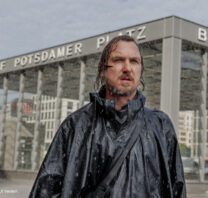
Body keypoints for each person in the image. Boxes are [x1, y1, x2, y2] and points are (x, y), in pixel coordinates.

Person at [30, 35, 186, 198]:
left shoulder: (160, 126)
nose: (127, 68)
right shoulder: (76, 125)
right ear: (103, 70)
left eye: (134, 61)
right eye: (119, 60)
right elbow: (45, 190)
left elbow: (177, 189)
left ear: (140, 71)